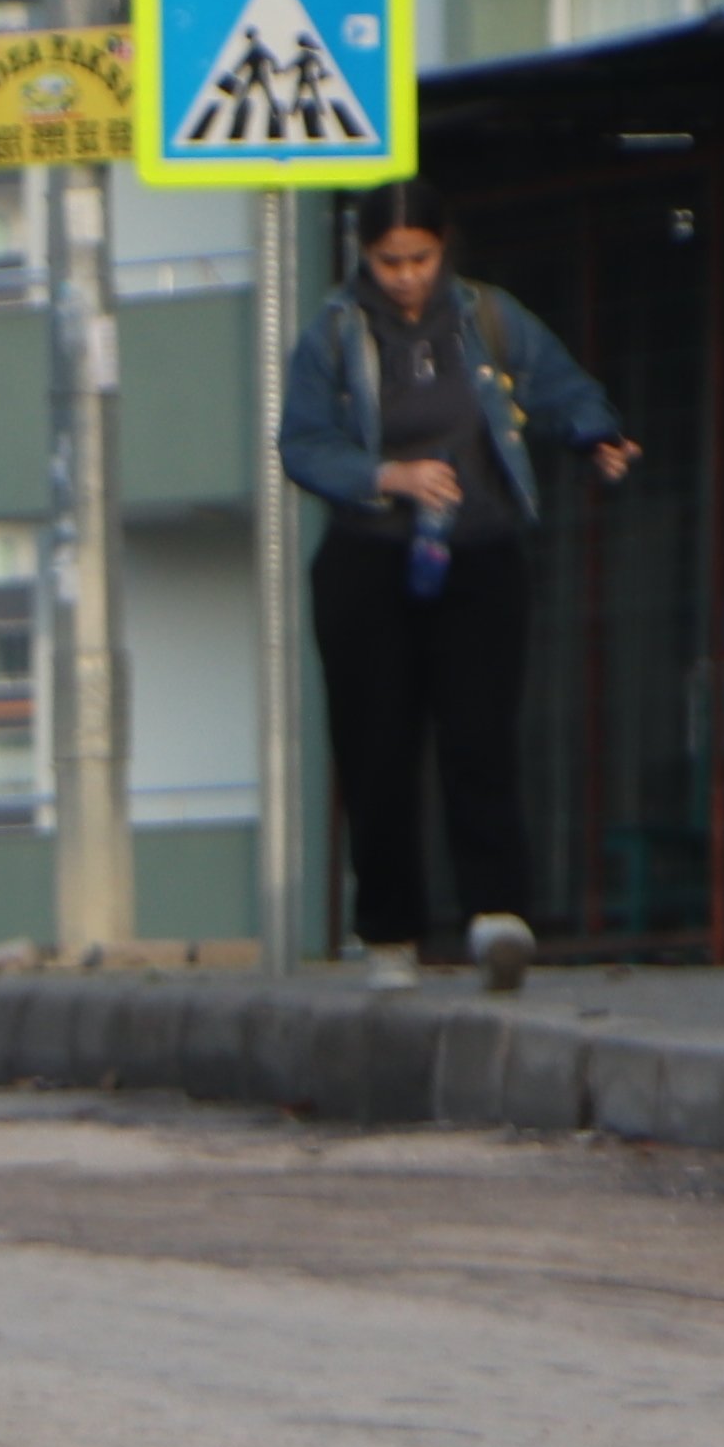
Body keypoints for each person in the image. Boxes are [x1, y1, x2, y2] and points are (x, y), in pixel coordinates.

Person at [277, 198, 637, 992]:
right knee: (377, 750)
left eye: (421, 259)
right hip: (371, 560)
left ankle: (498, 918)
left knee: (481, 736)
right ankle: (389, 935)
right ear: (364, 258)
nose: (407, 278)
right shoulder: (334, 334)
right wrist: (386, 476)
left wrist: (596, 436)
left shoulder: (489, 319)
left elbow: (558, 387)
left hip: (479, 554)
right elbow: (302, 442)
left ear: (445, 251)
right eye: (390, 262)